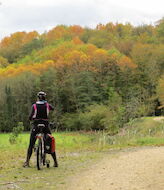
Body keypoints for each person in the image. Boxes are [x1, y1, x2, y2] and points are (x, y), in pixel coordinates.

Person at [23, 91, 58, 167]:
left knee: (31, 144)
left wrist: (32, 119)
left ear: (38, 98)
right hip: (45, 125)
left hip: (36, 125)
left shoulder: (34, 106)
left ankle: (27, 162)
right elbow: (53, 108)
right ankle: (55, 162)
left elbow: (30, 117)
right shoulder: (47, 105)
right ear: (45, 98)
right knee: (50, 141)